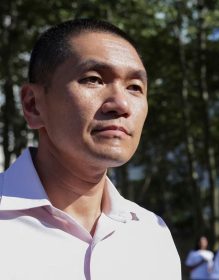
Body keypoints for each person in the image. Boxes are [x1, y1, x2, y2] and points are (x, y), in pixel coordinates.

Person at [0, 19, 181, 279]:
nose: (121, 104)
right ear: (32, 105)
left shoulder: (153, 236)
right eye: (93, 79)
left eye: (134, 87)